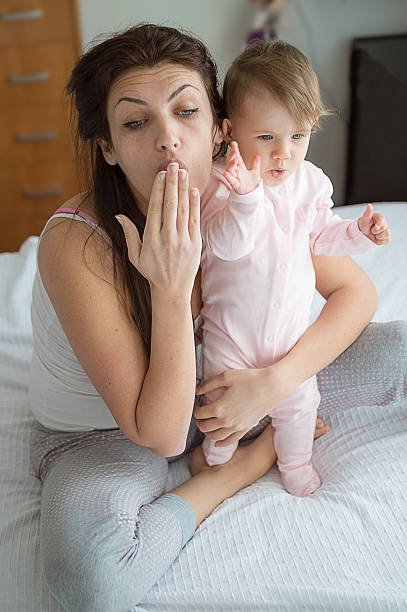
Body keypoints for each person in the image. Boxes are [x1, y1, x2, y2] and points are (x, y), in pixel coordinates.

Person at [28, 24, 380, 612]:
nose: (169, 139)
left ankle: (257, 428)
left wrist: (271, 385)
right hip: (109, 435)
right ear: (108, 146)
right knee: (94, 582)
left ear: (218, 128)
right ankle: (232, 470)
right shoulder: (76, 245)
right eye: (136, 122)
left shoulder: (240, 192)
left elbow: (358, 296)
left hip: (226, 391)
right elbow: (159, 433)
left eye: (185, 111)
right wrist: (169, 288)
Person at [198, 40, 391, 497]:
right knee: (219, 409)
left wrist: (359, 234)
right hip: (232, 335)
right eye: (267, 138)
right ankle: (216, 462)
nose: (284, 153)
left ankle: (296, 464)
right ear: (229, 131)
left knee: (301, 403)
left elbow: (322, 235)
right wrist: (245, 201)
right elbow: (223, 245)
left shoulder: (311, 182)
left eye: (298, 137)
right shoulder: (221, 181)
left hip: (290, 337)